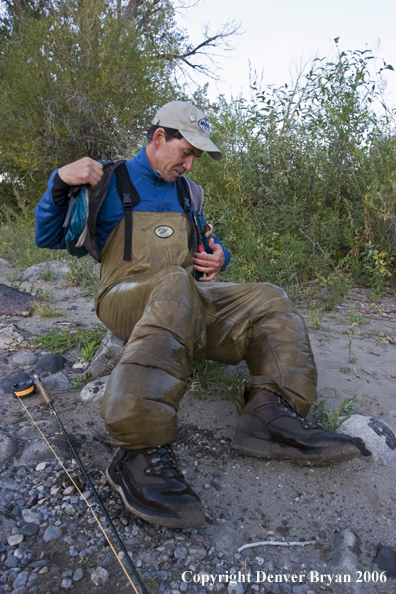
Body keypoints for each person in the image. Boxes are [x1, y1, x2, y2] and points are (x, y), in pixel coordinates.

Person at [35, 101, 360, 529]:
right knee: (173, 280)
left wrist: (219, 254)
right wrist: (60, 181)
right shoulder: (106, 180)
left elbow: (204, 238)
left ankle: (269, 414)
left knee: (269, 296)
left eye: (196, 157)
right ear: (158, 138)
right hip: (124, 295)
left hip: (185, 296)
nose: (190, 164)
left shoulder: (189, 192)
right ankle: (138, 450)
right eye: (186, 152)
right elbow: (47, 236)